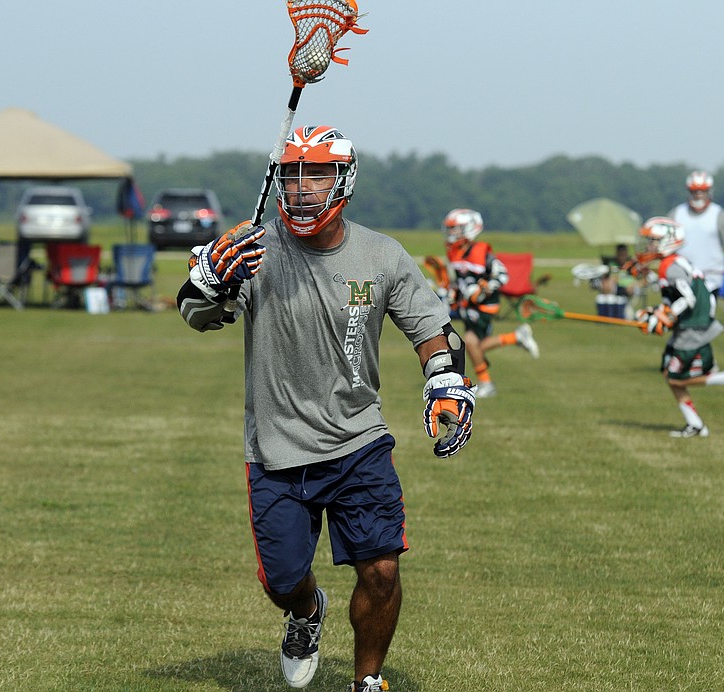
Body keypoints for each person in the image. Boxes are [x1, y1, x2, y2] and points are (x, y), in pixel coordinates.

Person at [177, 125, 476, 692]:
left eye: (317, 175)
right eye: (291, 176)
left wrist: (443, 381)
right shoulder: (252, 250)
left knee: (382, 569)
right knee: (282, 581)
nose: (302, 188)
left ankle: (367, 681)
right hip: (276, 446)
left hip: (359, 442)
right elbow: (195, 312)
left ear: (344, 181)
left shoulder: (381, 254)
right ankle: (305, 611)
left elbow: (435, 331)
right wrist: (210, 281)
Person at [634, 217, 724, 438]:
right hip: (690, 325)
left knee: (676, 377)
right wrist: (655, 312)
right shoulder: (674, 262)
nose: (648, 245)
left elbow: (687, 298)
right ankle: (695, 424)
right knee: (668, 373)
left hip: (692, 329)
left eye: (653, 240)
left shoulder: (671, 266)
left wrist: (666, 315)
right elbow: (678, 297)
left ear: (668, 241)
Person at [441, 208, 540, 398]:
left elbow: (502, 275)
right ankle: (516, 337)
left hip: (484, 306)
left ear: (469, 228)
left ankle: (486, 383)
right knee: (476, 345)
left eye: (455, 229)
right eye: (450, 229)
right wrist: (453, 293)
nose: (451, 233)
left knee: (470, 342)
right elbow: (458, 280)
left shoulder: (482, 251)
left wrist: (483, 288)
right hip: (469, 306)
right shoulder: (454, 252)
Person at [668, 170, 724, 296]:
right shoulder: (676, 214)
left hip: (711, 277)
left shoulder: (719, 215)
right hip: (680, 276)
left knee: (704, 314)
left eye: (702, 191)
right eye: (694, 191)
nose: (698, 195)